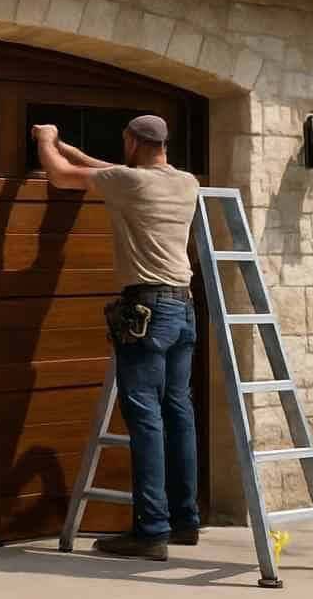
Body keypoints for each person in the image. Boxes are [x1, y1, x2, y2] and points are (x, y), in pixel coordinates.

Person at [31, 115, 201, 562]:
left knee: (145, 418)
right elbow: (108, 170)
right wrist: (73, 149)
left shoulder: (127, 181)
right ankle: (185, 520)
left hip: (147, 310)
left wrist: (48, 140)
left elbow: (61, 177)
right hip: (183, 309)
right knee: (179, 412)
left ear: (131, 141)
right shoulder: (186, 182)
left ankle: (151, 531)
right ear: (162, 144)